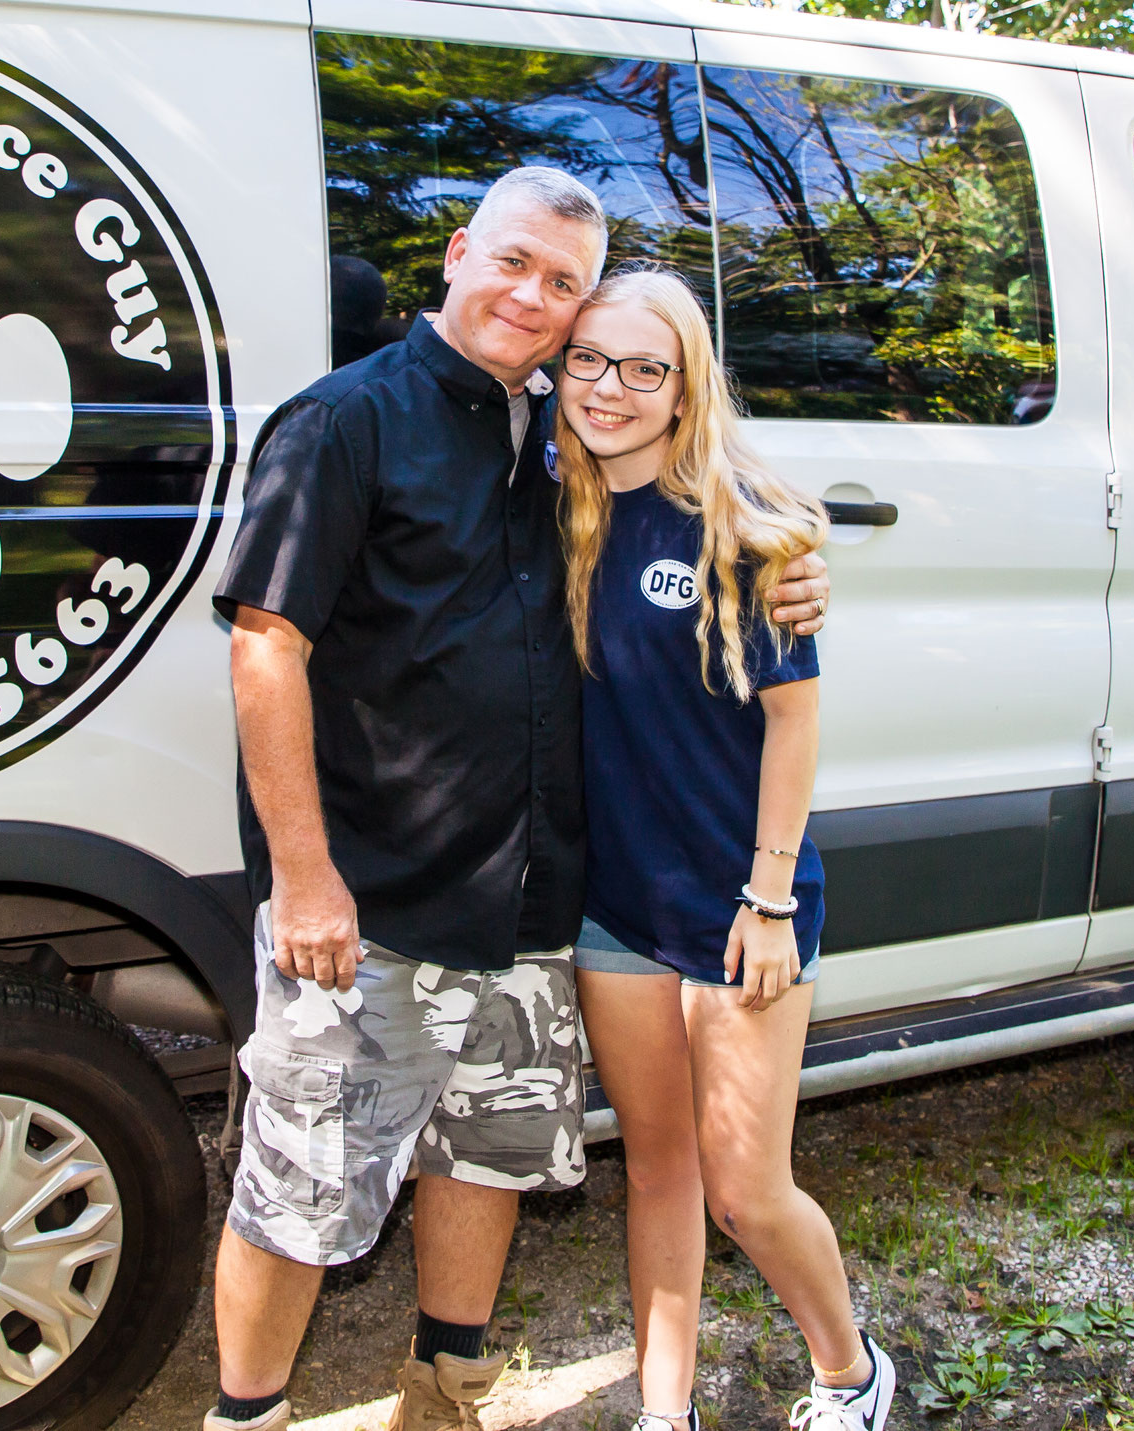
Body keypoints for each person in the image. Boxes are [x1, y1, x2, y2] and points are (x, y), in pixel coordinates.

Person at [207, 173, 832, 1431]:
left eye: (562, 285)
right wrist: (304, 877)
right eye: (512, 263)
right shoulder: (342, 422)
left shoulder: (561, 432)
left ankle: (444, 1392)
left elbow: (694, 490)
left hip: (531, 901)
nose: (532, 300)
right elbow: (266, 647)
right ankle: (247, 1413)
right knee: (299, 1190)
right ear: (456, 254)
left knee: (480, 1153)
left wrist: (789, 567)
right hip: (372, 904)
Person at [554, 265, 892, 1431]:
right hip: (615, 909)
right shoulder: (548, 507)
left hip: (740, 905)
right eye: (587, 359)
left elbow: (792, 724)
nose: (608, 388)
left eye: (643, 368)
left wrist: (767, 899)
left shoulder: (740, 526)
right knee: (655, 1171)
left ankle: (848, 1373)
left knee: (744, 1190)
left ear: (684, 387)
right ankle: (665, 1412)